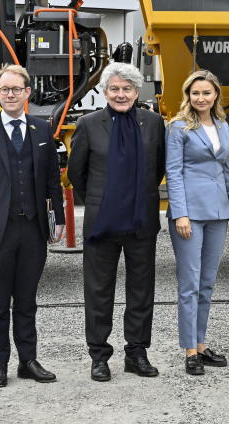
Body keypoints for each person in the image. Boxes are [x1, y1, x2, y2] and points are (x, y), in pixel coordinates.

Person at [0, 64, 64, 388]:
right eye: (5, 89)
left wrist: (59, 220)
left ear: (27, 93)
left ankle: (28, 361)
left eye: (16, 89)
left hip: (33, 231)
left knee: (27, 300)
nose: (11, 94)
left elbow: (53, 181)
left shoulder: (41, 129)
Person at [67, 62, 165, 382]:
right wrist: (101, 199)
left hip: (140, 220)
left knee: (141, 289)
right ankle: (99, 355)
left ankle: (136, 352)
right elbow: (76, 174)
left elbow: (158, 167)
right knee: (98, 290)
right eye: (114, 89)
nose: (120, 94)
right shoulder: (89, 124)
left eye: (127, 89)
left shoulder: (153, 123)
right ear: (105, 91)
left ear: (137, 92)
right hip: (102, 222)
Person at [166, 69, 229, 375]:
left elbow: (224, 170)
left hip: (218, 212)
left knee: (207, 283)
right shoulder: (178, 127)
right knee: (190, 284)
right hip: (190, 214)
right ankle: (189, 350)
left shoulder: (221, 126)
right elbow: (174, 171)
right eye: (195, 93)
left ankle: (201, 342)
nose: (200, 98)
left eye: (206, 93)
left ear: (215, 95)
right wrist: (180, 212)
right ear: (188, 95)